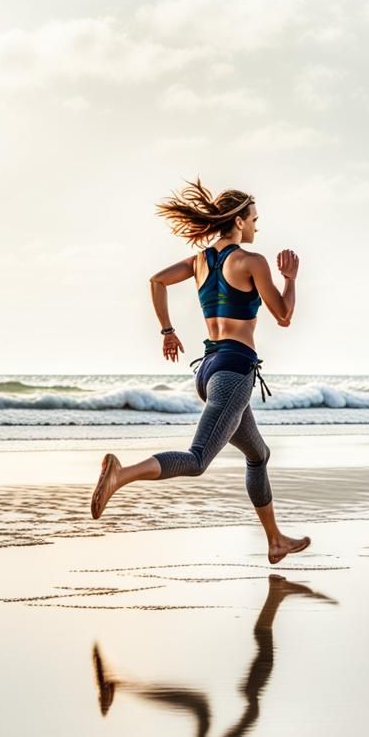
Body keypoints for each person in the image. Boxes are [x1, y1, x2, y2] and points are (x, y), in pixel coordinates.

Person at [90, 177, 311, 565]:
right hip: (234, 372)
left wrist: (168, 331)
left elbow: (157, 280)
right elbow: (284, 316)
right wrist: (290, 280)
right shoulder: (252, 262)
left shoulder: (199, 262)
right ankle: (120, 475)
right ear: (239, 221)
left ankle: (275, 540)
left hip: (209, 371)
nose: (257, 226)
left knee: (258, 454)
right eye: (254, 219)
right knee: (196, 460)